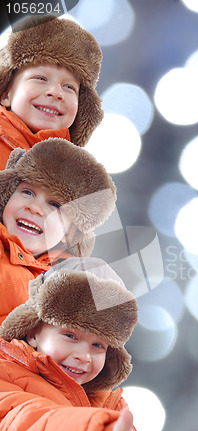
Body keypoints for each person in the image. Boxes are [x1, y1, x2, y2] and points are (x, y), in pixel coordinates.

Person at [0, 257, 171, 431]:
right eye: (70, 335)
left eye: (98, 345)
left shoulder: (109, 408)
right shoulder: (7, 377)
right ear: (33, 332)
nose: (84, 356)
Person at [0, 137, 116, 324]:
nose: (34, 208)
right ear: (6, 195)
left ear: (71, 233)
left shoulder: (63, 287)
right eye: (27, 192)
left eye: (55, 205)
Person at [0, 14, 103, 169]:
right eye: (40, 78)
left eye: (69, 87)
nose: (56, 93)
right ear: (6, 94)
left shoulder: (72, 172)